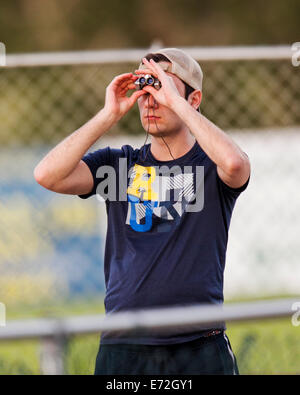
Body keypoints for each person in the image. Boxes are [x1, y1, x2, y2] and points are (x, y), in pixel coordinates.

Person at [34, 48, 250, 375]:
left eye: (163, 89)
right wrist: (108, 115)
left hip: (198, 342)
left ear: (193, 100)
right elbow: (47, 175)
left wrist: (174, 101)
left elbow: (236, 164)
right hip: (125, 344)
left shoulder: (211, 167)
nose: (151, 100)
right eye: (145, 88)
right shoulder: (119, 165)